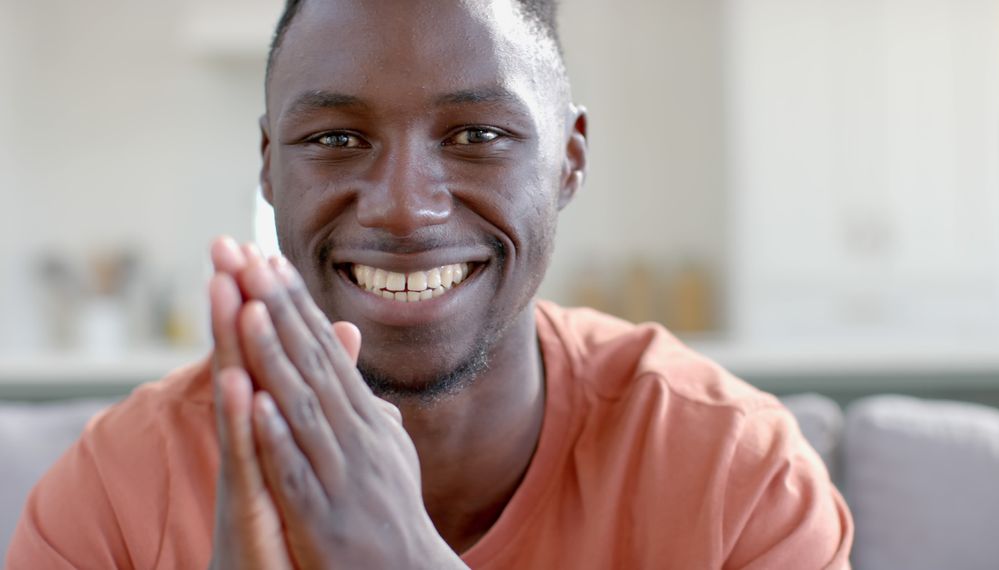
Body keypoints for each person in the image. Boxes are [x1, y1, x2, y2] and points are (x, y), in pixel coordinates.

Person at [6, 0, 853, 568]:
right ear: (269, 167)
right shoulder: (116, 493)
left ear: (568, 160)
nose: (406, 209)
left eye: (478, 133)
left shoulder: (735, 477)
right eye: (336, 139)